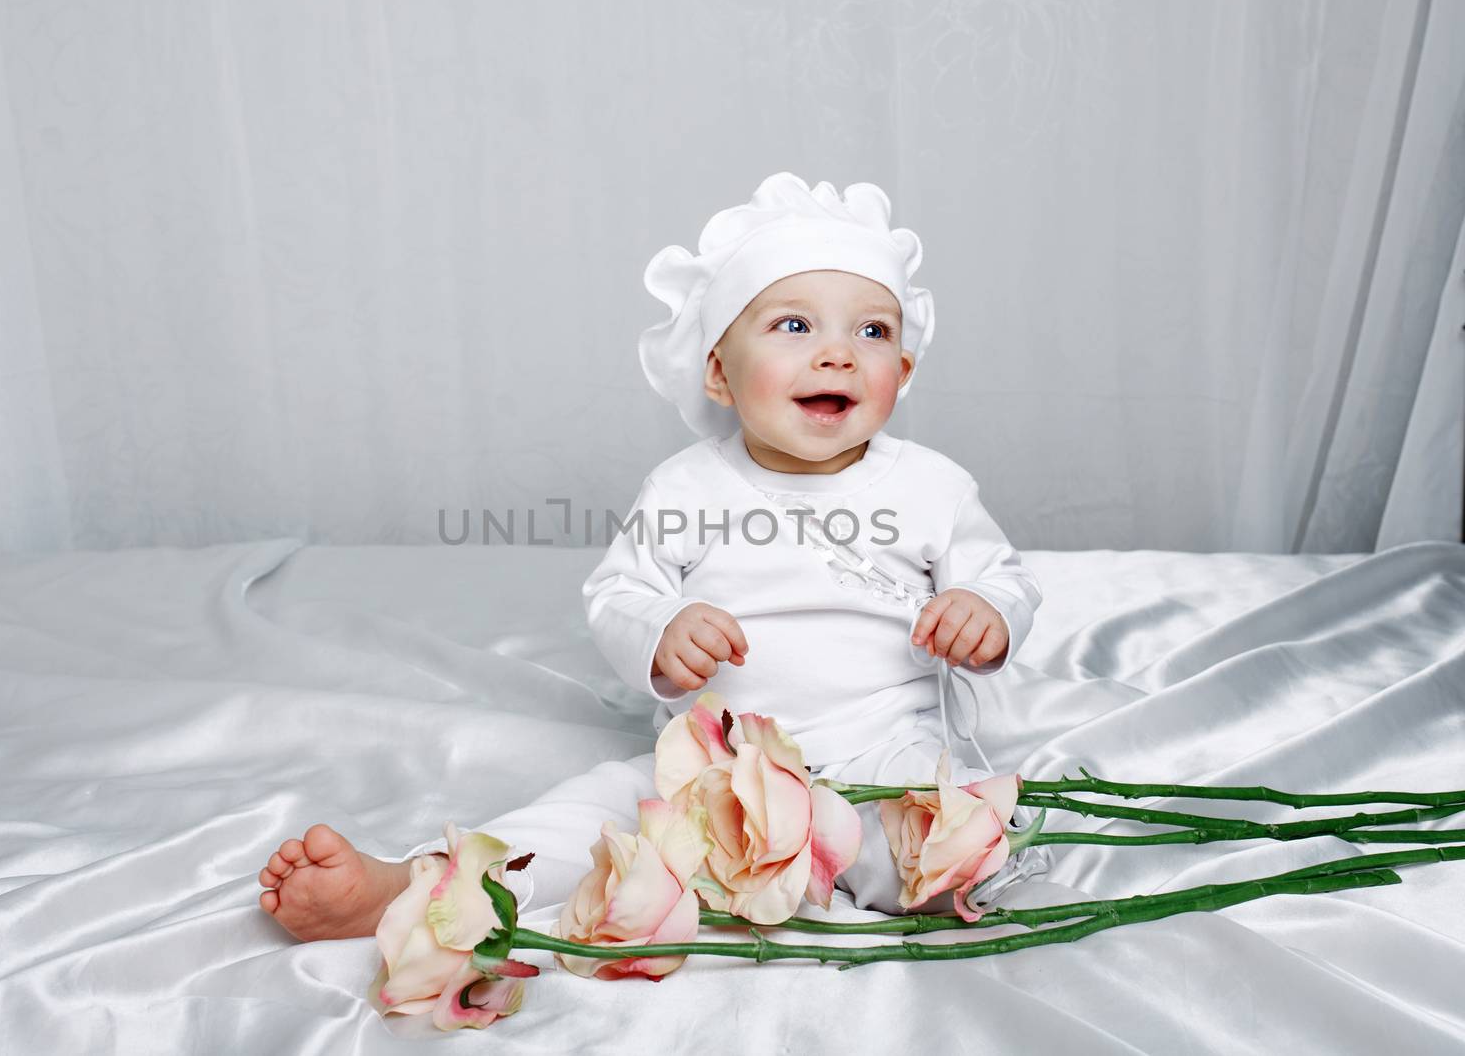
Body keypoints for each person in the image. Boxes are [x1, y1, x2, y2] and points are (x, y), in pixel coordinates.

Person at [257, 171, 1050, 942]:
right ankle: (426, 884)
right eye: (794, 325)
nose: (839, 353)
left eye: (872, 331)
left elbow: (1001, 576)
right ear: (718, 371)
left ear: (902, 373)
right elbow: (618, 591)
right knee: (598, 815)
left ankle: (952, 878)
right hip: (718, 764)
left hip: (885, 746)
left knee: (927, 839)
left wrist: (985, 613)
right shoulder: (687, 485)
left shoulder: (930, 486)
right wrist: (664, 629)